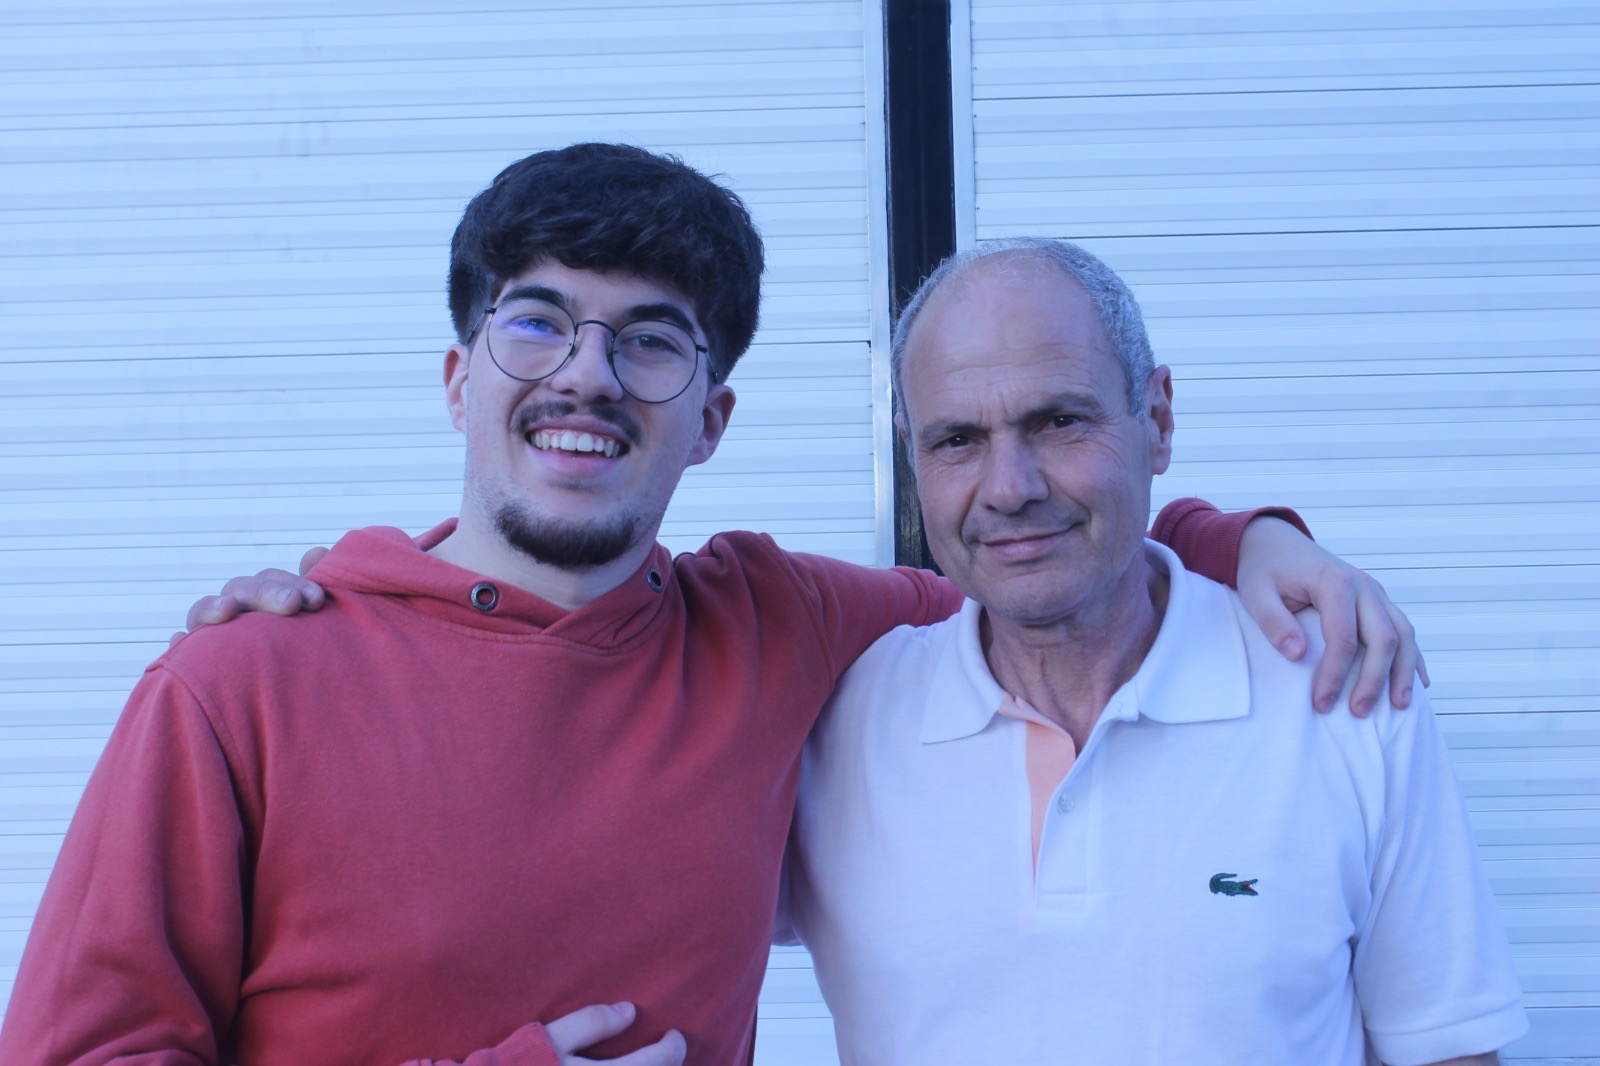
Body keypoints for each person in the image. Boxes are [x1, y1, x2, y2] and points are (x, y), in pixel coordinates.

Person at [1, 145, 1420, 1066]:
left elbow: (1027, 552)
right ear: (458, 377)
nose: (588, 372)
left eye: (652, 342)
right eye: (537, 320)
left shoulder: (774, 626)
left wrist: (1230, 538)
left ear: (713, 421)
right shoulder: (241, 685)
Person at [779, 238, 1526, 1065]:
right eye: (957, 439)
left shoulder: (1341, 692)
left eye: (1058, 421)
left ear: (1158, 421)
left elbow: (1447, 1048)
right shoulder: (827, 727)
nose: (1010, 488)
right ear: (911, 454)